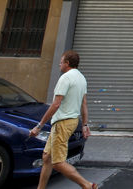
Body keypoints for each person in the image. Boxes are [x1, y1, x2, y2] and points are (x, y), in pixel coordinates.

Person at [29, 50, 97, 189]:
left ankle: (87, 185)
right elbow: (84, 104)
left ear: (67, 63)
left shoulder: (65, 78)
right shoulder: (81, 78)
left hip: (62, 123)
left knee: (58, 163)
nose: (59, 64)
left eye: (61, 61)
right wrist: (84, 124)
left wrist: (39, 125)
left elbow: (56, 103)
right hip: (71, 121)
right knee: (47, 157)